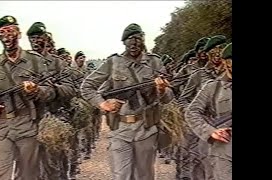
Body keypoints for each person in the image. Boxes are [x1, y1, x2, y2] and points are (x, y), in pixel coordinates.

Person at [80, 23, 174, 180]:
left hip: (146, 129)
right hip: (120, 129)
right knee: (121, 176)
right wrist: (103, 103)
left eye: (138, 39)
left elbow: (168, 98)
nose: (134, 44)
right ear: (124, 42)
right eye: (130, 40)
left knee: (145, 176)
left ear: (143, 41)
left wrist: (162, 90)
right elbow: (87, 86)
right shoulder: (113, 63)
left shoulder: (154, 63)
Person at [0, 15, 57, 180]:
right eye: (2, 31)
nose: (7, 35)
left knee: (28, 175)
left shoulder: (35, 61)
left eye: (11, 30)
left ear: (19, 34)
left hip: (27, 124)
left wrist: (36, 90)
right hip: (0, 127)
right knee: (1, 174)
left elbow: (51, 90)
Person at [26, 21, 76, 180]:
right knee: (31, 165)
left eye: (38, 38)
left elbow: (70, 89)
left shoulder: (57, 63)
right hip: (29, 120)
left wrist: (53, 89)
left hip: (54, 117)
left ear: (46, 39)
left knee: (53, 164)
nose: (35, 41)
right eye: (32, 38)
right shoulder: (24, 63)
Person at [185, 43, 232, 180]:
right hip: (224, 150)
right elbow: (191, 112)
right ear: (225, 63)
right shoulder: (213, 87)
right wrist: (210, 131)